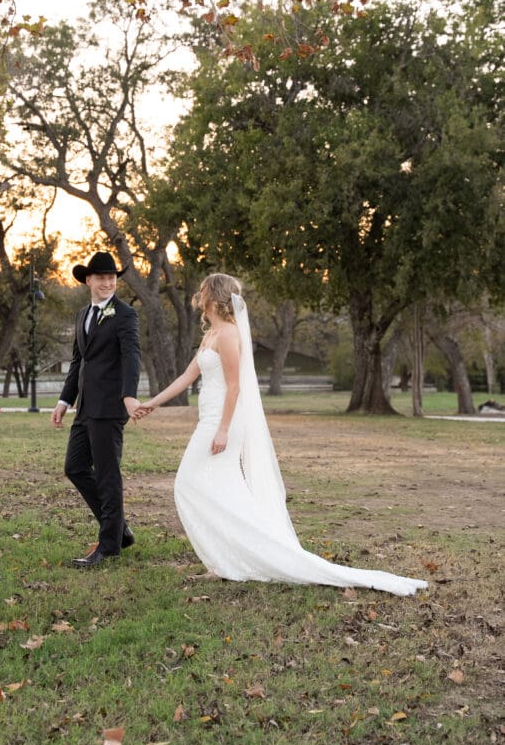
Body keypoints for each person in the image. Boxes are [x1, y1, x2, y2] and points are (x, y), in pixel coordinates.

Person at [137, 274, 428, 596]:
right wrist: (152, 403)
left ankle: (231, 558)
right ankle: (221, 562)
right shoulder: (212, 335)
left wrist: (222, 429)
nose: (198, 294)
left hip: (224, 423)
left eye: (203, 290)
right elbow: (186, 377)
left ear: (214, 297)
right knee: (214, 487)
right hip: (208, 419)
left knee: (188, 482)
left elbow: (235, 386)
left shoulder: (230, 334)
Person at [52, 251, 141, 568]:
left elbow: (132, 356)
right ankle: (119, 530)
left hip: (110, 407)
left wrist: (129, 395)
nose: (107, 283)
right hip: (85, 408)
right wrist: (64, 400)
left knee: (107, 475)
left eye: (112, 278)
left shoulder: (125, 315)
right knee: (74, 467)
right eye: (101, 277)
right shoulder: (81, 315)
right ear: (88, 280)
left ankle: (109, 546)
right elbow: (79, 362)